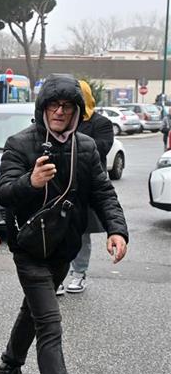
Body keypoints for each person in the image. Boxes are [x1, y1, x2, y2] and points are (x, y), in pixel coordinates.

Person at [0, 74, 128, 374]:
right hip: (28, 248)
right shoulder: (19, 143)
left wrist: (117, 230)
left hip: (63, 248)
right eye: (54, 104)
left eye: (68, 106)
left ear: (77, 111)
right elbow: (4, 193)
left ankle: (9, 367)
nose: (60, 111)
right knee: (50, 325)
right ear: (43, 108)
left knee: (34, 310)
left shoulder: (86, 147)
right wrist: (32, 181)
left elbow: (103, 192)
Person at [57, 80, 114, 295]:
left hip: (87, 188)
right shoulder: (63, 119)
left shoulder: (101, 123)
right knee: (58, 232)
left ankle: (79, 274)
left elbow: (101, 149)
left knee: (81, 233)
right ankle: (59, 275)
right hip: (62, 185)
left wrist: (72, 141)